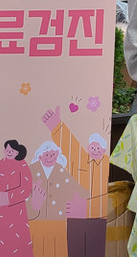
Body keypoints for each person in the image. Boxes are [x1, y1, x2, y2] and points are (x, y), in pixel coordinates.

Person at [42, 107, 110, 257]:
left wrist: (87, 207)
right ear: (88, 147)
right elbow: (69, 145)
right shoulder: (80, 159)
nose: (95, 150)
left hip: (97, 218)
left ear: (104, 149)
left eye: (98, 147)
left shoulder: (107, 163)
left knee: (96, 251)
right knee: (75, 250)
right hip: (76, 220)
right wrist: (56, 125)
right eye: (92, 147)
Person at [27, 142, 87, 257]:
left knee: (57, 249)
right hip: (36, 221)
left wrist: (83, 199)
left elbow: (76, 188)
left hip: (57, 221)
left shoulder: (60, 170)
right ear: (40, 156)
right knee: (36, 249)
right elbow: (23, 193)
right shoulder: (32, 170)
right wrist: (33, 204)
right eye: (48, 155)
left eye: (54, 155)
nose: (51, 158)